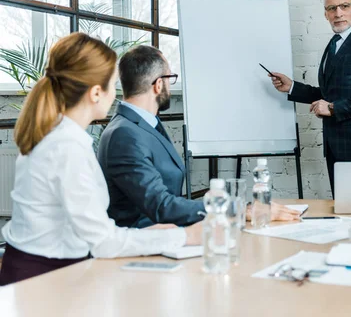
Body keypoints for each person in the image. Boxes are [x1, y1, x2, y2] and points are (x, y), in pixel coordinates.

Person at [0, 33, 203, 286]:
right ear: (96, 92)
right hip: (44, 279)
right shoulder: (66, 147)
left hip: (45, 270)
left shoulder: (59, 135)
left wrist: (151, 235)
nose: (115, 94)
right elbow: (102, 242)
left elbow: (90, 231)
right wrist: (186, 237)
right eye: (112, 84)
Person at [97, 45, 300, 229]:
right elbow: (161, 206)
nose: (170, 84)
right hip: (145, 247)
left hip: (167, 235)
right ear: (158, 85)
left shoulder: (144, 124)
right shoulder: (125, 134)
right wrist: (236, 209)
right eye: (170, 78)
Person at [270, 0, 351, 197]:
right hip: (335, 145)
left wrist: (333, 108)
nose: (338, 13)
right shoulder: (334, 43)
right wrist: (292, 87)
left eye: (344, 6)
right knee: (343, 210)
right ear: (325, 14)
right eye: (331, 8)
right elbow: (330, 93)